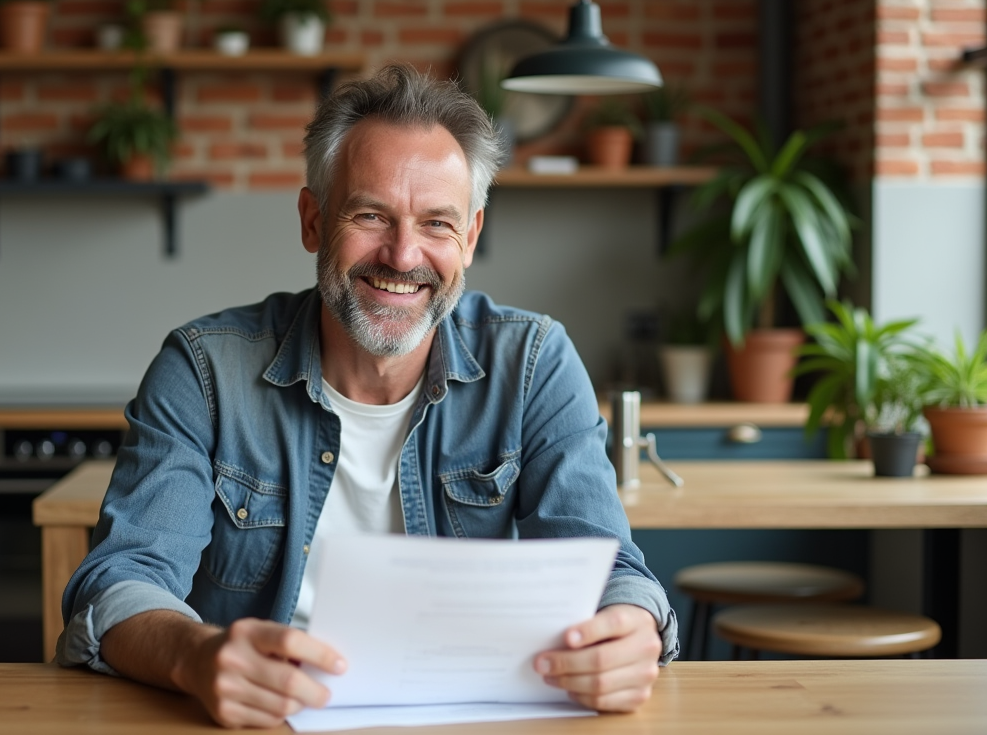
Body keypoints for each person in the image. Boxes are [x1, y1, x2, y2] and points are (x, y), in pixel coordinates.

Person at [58, 64, 678, 728]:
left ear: (470, 237)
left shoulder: (533, 363)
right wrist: (194, 656)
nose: (403, 255)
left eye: (437, 223)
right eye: (371, 215)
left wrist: (632, 623)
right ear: (312, 220)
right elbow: (122, 581)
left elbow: (612, 568)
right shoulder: (205, 371)